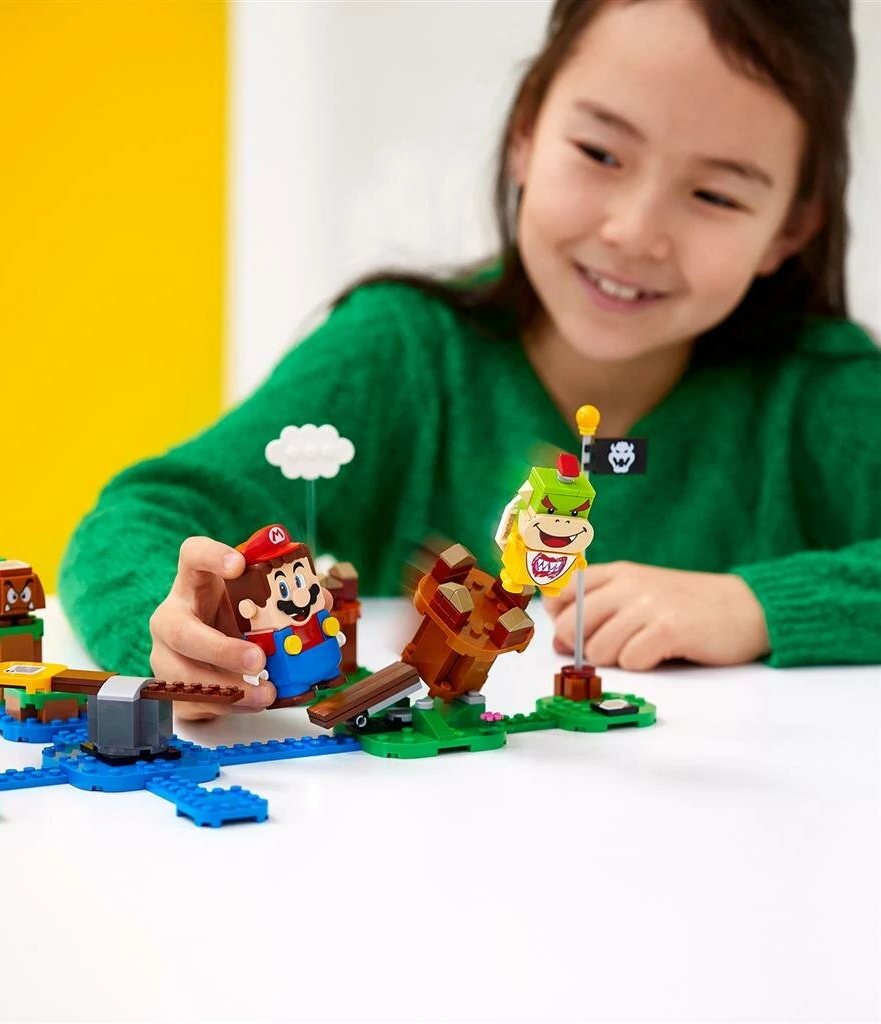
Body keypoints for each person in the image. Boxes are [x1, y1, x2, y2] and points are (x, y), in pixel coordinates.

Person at [59, 0, 881, 719]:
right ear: (526, 132)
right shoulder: (399, 354)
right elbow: (136, 521)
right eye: (600, 152)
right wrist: (179, 637)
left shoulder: (828, 397)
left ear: (791, 225)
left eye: (715, 194)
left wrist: (756, 605)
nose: (634, 232)